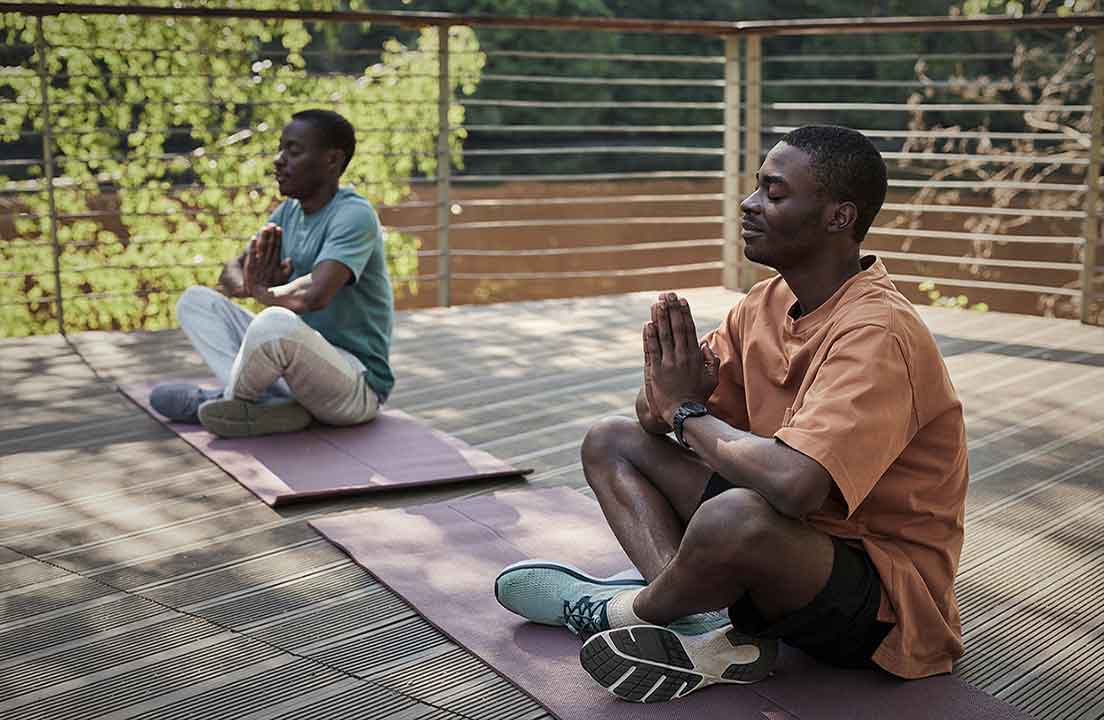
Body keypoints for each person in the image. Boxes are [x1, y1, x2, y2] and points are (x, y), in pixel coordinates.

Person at [494, 125, 968, 702]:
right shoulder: (764, 303)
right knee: (610, 441)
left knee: (735, 516)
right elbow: (654, 414)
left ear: (839, 217)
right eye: (755, 188)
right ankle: (701, 626)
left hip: (880, 602)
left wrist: (685, 412)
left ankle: (625, 610)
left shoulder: (878, 333)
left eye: (774, 192)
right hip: (788, 542)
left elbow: (795, 487)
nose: (749, 204)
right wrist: (667, 396)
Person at [150, 109, 395, 438]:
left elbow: (316, 293)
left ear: (332, 160)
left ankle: (227, 400)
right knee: (196, 301)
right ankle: (262, 404)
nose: (279, 160)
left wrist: (267, 295)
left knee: (274, 322)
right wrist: (252, 283)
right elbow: (231, 273)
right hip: (295, 374)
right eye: (280, 149)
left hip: (354, 386)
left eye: (293, 152)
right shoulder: (289, 212)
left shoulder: (354, 215)